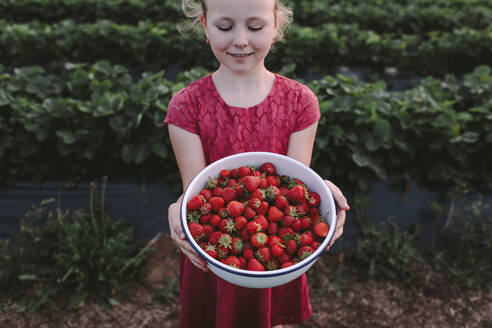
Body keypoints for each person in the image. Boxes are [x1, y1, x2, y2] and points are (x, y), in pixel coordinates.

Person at [164, 0, 350, 327]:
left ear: (276, 24)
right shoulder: (186, 105)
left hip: (274, 253)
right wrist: (177, 208)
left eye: (255, 26)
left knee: (268, 315)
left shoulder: (300, 102)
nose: (240, 40)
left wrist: (324, 192)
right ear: (205, 25)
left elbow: (295, 182)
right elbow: (197, 194)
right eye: (225, 27)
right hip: (216, 250)